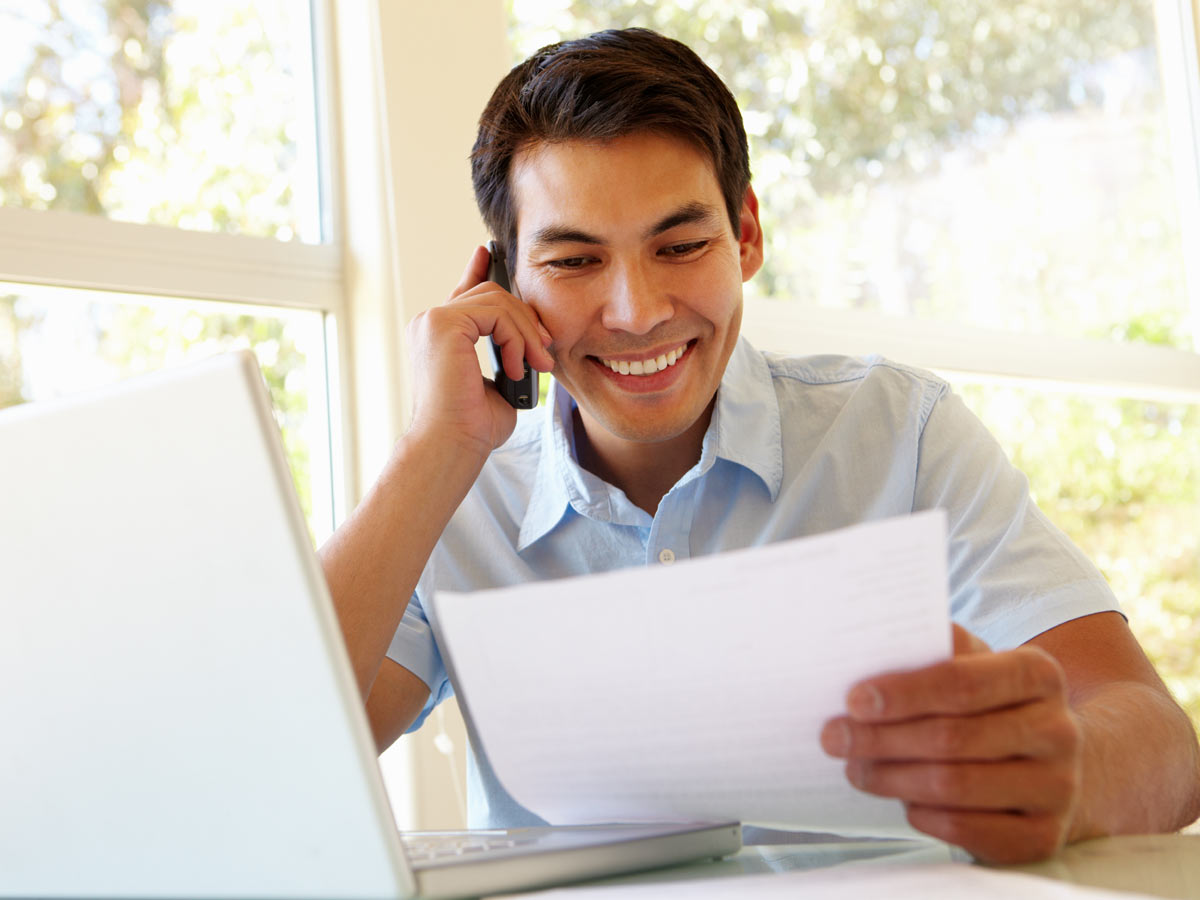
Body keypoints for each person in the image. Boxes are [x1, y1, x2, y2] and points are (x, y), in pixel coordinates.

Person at [319, 27, 1200, 863]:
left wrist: (1065, 778)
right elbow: (284, 745)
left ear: (745, 235)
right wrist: (435, 446)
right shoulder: (455, 496)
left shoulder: (899, 434)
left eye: (681, 244)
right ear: (504, 280)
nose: (637, 312)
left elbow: (1160, 746)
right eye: (576, 261)